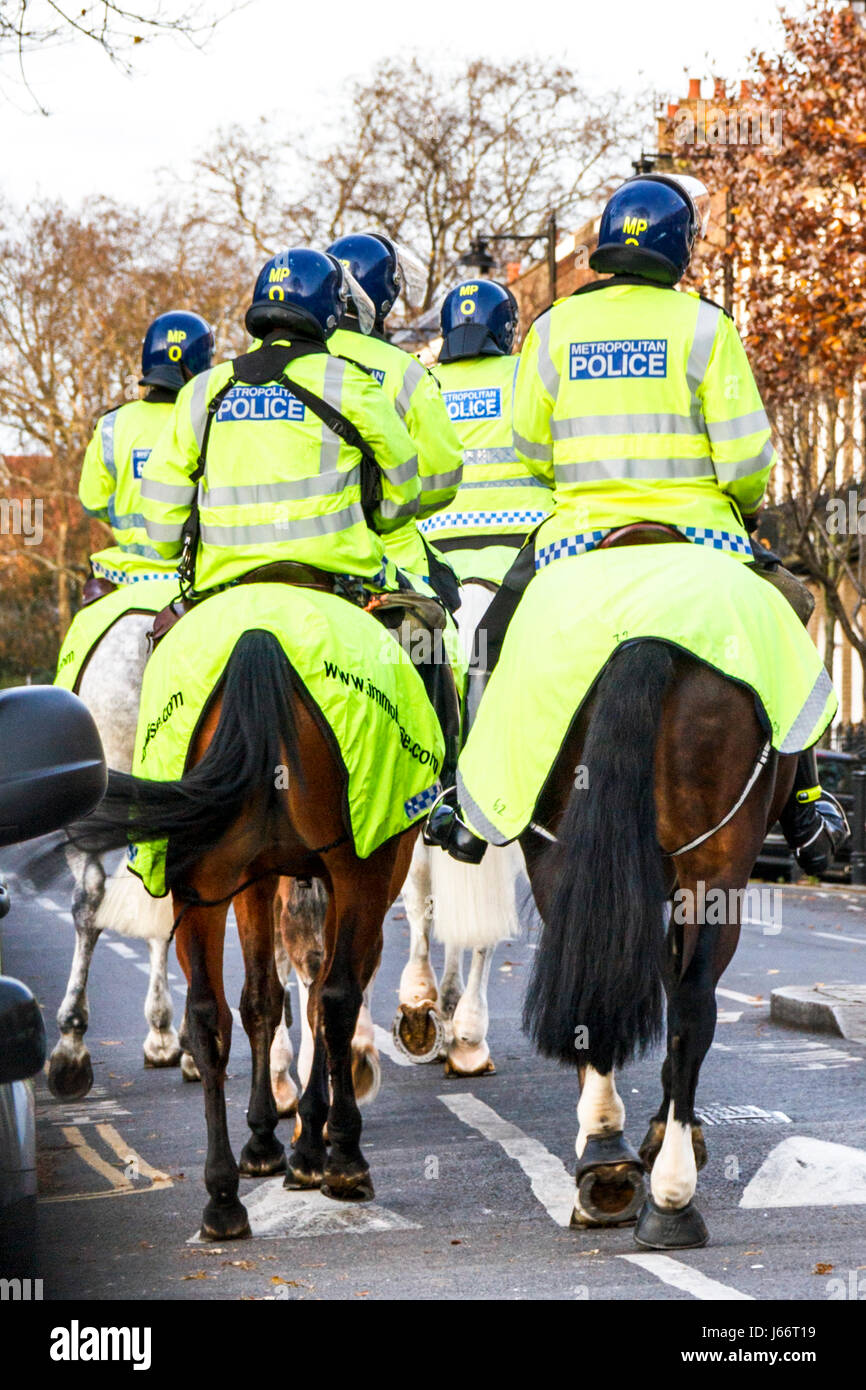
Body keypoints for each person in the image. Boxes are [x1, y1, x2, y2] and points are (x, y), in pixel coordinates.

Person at [426, 172, 847, 871]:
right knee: (789, 606)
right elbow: (747, 459)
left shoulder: (553, 329)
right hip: (701, 536)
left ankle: (470, 807)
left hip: (580, 538)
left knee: (493, 636)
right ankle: (805, 803)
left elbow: (531, 445)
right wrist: (730, 498)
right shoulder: (706, 326)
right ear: (679, 252)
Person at [139, 248, 421, 599]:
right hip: (339, 578)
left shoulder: (204, 389)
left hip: (222, 584)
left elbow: (162, 507)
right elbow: (405, 482)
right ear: (331, 312)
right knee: (431, 632)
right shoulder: (351, 383)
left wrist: (178, 550)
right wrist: (382, 522)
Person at [326, 232, 462, 605]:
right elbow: (441, 476)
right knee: (441, 641)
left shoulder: (276, 364)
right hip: (390, 554)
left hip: (289, 546)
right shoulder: (404, 371)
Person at [419, 278, 553, 586]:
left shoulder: (422, 381)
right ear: (507, 329)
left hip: (435, 544)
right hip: (525, 542)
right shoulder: (527, 372)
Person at [78, 311, 214, 600]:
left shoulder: (111, 426)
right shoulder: (211, 421)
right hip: (196, 573)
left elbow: (92, 502)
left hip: (127, 573)